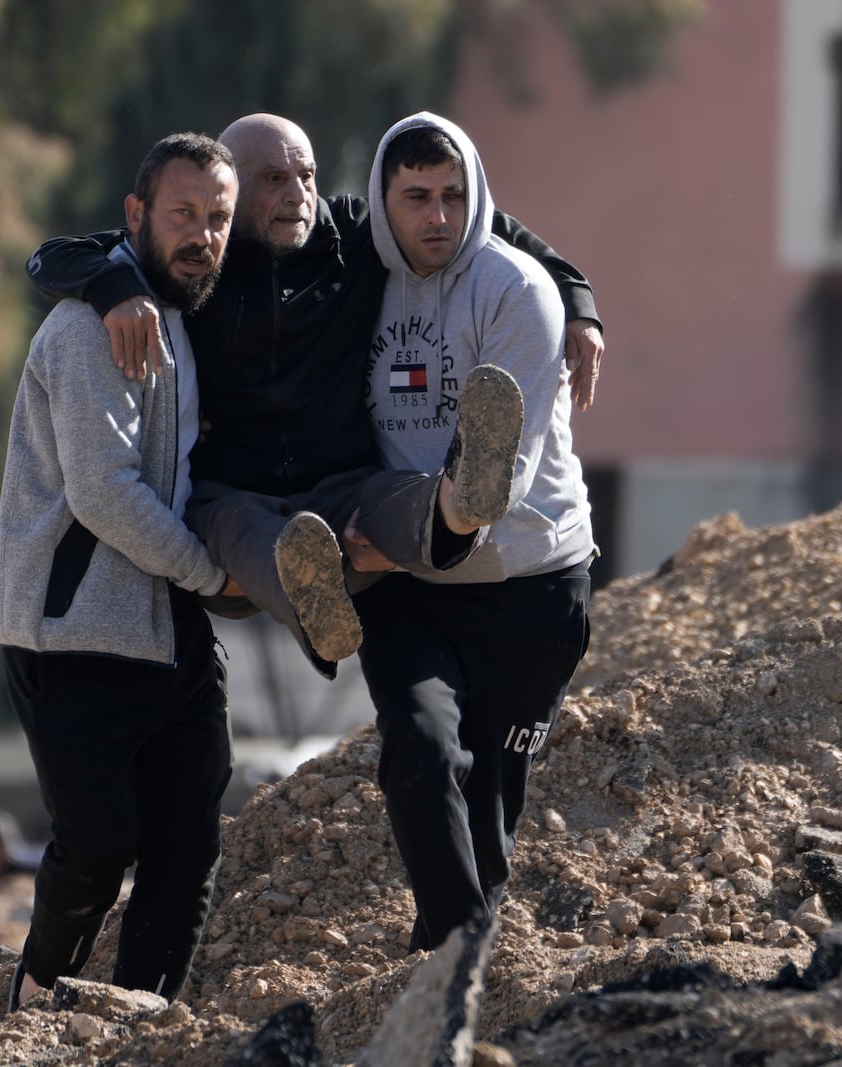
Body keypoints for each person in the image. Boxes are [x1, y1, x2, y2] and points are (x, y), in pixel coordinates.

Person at [26, 113, 604, 677]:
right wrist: (112, 287)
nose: (298, 194)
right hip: (234, 491)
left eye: (307, 175)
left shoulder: (353, 237)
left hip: (344, 483)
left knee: (397, 496)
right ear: (231, 191)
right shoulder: (199, 257)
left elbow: (472, 215)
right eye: (274, 179)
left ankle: (460, 506)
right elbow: (57, 255)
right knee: (237, 524)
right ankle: (316, 606)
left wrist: (575, 299)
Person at [0, 132, 240, 1010]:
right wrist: (214, 575)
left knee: (189, 845)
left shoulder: (185, 314)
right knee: (95, 845)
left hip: (169, 631)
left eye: (217, 218)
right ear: (136, 216)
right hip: (74, 636)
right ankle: (31, 1007)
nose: (201, 234)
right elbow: (104, 495)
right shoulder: (91, 327)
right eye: (183, 214)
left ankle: (139, 1019)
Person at [342, 111, 596, 953]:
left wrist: (582, 302)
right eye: (416, 197)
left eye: (453, 195)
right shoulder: (354, 280)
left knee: (489, 801)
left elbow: (513, 466)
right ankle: (458, 953)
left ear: (477, 194)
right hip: (408, 585)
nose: (438, 216)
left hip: (530, 578)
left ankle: (446, 956)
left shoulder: (519, 288)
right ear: (382, 202)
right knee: (417, 752)